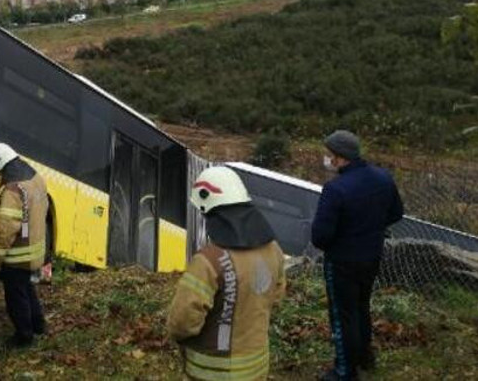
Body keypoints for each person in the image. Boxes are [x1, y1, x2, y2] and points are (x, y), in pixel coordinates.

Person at [167, 166, 286, 380]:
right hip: (257, 367)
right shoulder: (274, 250)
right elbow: (274, 299)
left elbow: (182, 322)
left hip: (211, 373)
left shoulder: (208, 262)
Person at [312, 130, 404, 381]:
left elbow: (320, 236)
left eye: (329, 155)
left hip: (342, 261)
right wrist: (371, 229)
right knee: (361, 307)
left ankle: (344, 370)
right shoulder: (383, 178)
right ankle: (365, 356)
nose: (327, 159)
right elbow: (397, 212)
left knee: (343, 316)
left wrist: (342, 237)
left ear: (340, 158)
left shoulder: (336, 189)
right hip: (372, 255)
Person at [0, 142, 48, 348]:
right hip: (35, 248)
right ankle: (39, 326)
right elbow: (30, 216)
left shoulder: (13, 190)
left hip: (18, 255)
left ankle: (24, 336)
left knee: (15, 295)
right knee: (27, 287)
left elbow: (8, 229)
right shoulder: (35, 178)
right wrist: (27, 231)